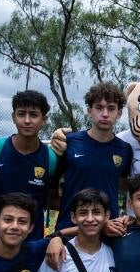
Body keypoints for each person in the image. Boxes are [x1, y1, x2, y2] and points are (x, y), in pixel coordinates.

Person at [0, 90, 58, 244]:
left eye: (33, 115)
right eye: (21, 114)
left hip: (31, 241)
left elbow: (51, 198)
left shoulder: (51, 158)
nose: (27, 121)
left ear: (44, 119)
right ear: (13, 117)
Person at [54, 83, 133, 231]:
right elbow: (52, 185)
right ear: (89, 111)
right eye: (99, 107)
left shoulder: (124, 149)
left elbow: (122, 185)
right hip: (70, 228)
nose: (105, 114)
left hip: (108, 229)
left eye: (111, 108)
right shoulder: (69, 142)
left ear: (119, 113)